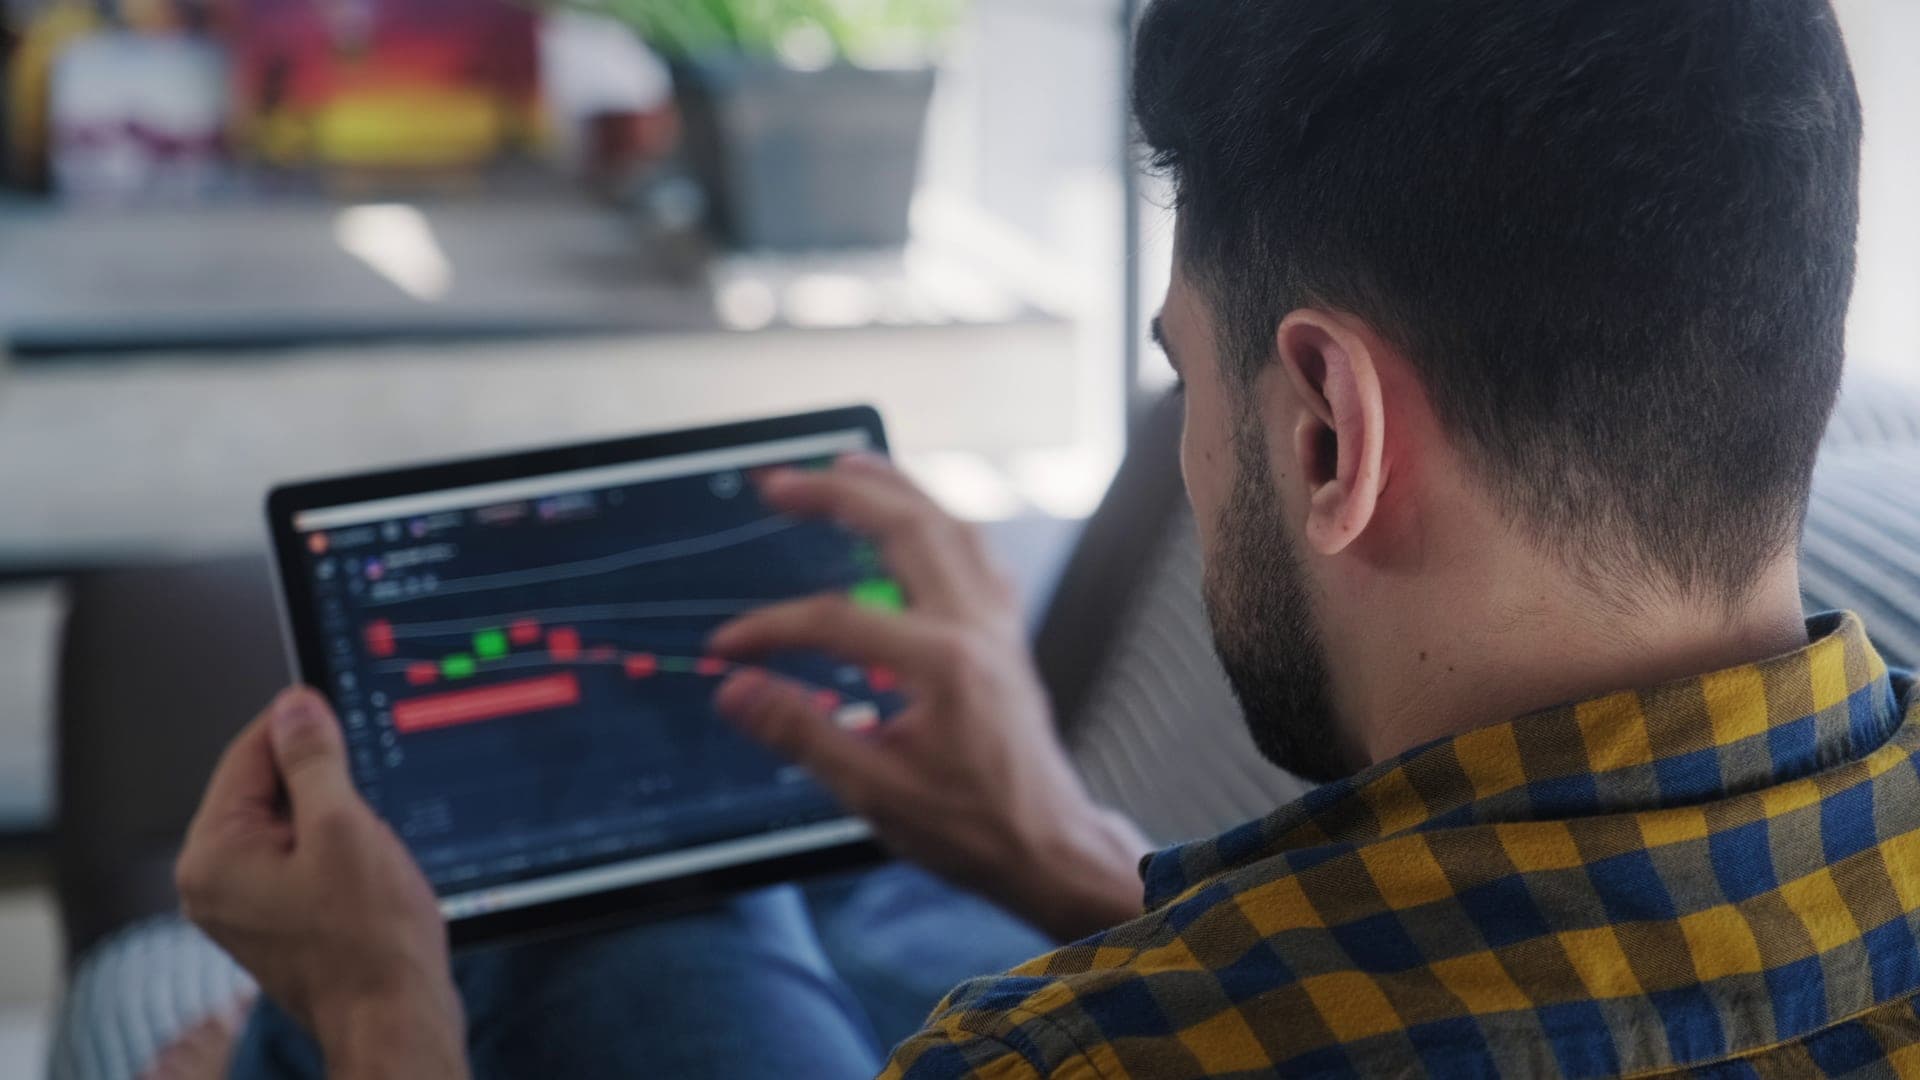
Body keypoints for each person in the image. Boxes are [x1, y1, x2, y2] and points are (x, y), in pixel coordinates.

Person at [158, 0, 1918, 1075]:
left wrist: (388, 1021)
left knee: (573, 922)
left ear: (1327, 429)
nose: (1194, 432)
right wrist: (1062, 848)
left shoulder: (1073, 1058)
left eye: (1183, 371)